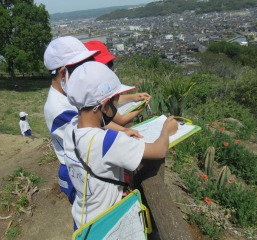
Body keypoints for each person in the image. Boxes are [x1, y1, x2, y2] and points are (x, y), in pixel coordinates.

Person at [63, 61, 178, 228]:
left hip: (82, 219)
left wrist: (122, 131)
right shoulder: (107, 142)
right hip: (106, 225)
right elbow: (159, 151)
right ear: (104, 105)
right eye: (116, 101)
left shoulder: (71, 129)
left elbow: (93, 131)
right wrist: (166, 130)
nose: (117, 107)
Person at [43, 36, 144, 204]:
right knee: (88, 218)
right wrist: (123, 132)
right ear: (63, 73)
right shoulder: (60, 109)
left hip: (85, 163)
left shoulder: (69, 94)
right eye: (82, 67)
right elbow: (94, 130)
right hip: (78, 169)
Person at [84, 40, 151, 126]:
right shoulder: (93, 90)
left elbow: (112, 99)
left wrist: (133, 97)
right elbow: (121, 120)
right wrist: (142, 106)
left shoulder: (88, 84)